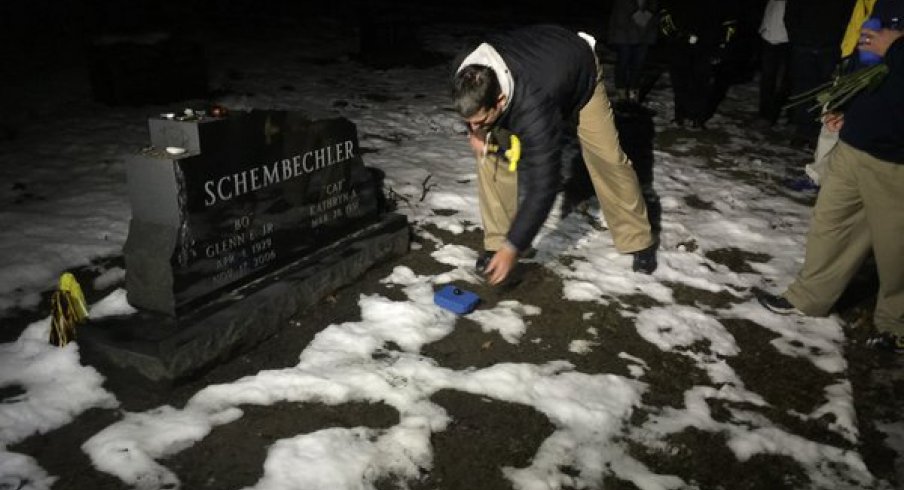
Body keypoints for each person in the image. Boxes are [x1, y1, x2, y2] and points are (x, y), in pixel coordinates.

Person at [451, 25, 657, 286]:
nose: (475, 125)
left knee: (607, 159)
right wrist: (476, 133)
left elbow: (544, 183)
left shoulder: (535, 105)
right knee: (490, 156)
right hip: (537, 63)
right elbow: (473, 114)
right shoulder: (465, 71)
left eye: (481, 120)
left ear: (500, 100)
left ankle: (638, 239)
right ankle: (496, 243)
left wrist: (515, 246)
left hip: (579, 73)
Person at [757, 21, 904, 353]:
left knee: (897, 248)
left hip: (897, 155)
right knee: (831, 224)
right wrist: (846, 102)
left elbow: (887, 51)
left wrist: (895, 49)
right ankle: (809, 298)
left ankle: (896, 324)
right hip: (857, 139)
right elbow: (867, 54)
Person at [659, 0, 738, 128]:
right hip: (680, 45)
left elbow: (729, 23)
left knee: (701, 82)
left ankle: (697, 117)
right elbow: (665, 15)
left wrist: (722, 47)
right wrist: (675, 35)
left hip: (707, 46)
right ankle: (681, 115)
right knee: (680, 81)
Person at [607, 0, 659, 104]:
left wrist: (648, 15)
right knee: (623, 62)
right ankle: (622, 90)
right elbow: (622, 12)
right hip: (625, 33)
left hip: (644, 34)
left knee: (638, 64)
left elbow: (654, 8)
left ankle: (633, 90)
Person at [757, 0, 791, 126]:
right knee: (768, 77)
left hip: (787, 39)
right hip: (769, 36)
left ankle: (775, 113)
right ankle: (765, 114)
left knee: (783, 80)